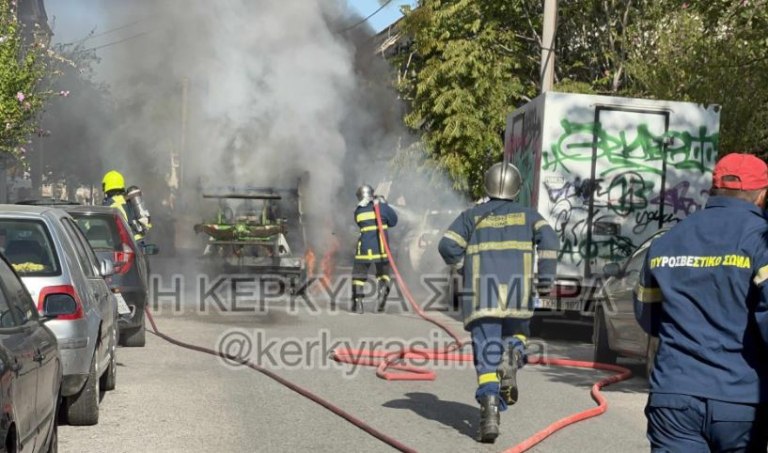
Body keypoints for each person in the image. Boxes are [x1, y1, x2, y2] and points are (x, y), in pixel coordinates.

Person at [633, 152, 768, 452]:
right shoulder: (761, 241)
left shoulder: (667, 240)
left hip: (674, 397)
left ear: (714, 189)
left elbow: (647, 314)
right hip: (741, 402)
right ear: (762, 195)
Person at [438, 162, 558, 443]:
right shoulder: (530, 216)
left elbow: (446, 245)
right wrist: (545, 280)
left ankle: (490, 414)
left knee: (486, 355)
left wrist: (463, 267)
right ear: (517, 189)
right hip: (518, 294)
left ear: (487, 185)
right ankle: (512, 354)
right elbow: (550, 240)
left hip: (483, 298)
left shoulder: (471, 216)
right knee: (518, 333)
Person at [351, 184, 398, 314]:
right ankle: (381, 298)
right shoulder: (382, 207)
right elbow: (393, 221)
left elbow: (359, 222)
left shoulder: (358, 211)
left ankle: (358, 305)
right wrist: (384, 204)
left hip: (364, 249)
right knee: (384, 275)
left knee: (358, 276)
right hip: (381, 250)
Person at [102, 170, 151, 242]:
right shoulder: (129, 199)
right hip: (140, 240)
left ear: (106, 187)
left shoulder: (110, 205)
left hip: (127, 243)